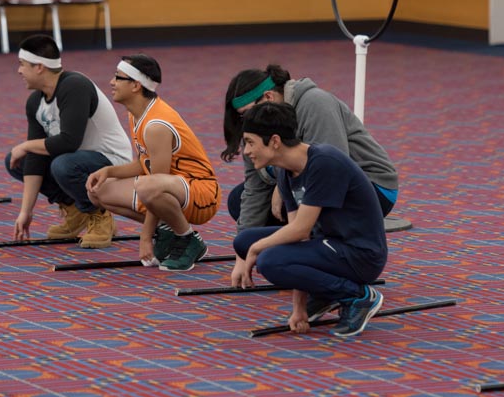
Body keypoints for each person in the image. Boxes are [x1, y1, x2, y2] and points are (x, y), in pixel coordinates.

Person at [230, 103, 388, 338]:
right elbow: (298, 238)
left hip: (360, 254)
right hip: (329, 244)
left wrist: (257, 249)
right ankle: (324, 293)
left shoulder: (323, 162)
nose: (246, 151)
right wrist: (299, 308)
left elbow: (301, 230)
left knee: (268, 260)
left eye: (250, 142)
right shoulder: (286, 172)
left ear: (274, 141)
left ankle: (357, 296)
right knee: (244, 241)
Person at [222, 65, 398, 230]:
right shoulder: (254, 127)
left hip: (370, 186)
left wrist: (282, 187)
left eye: (247, 113)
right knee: (238, 201)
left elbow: (332, 168)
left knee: (293, 203)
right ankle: (296, 237)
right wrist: (244, 243)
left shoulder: (315, 103)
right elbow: (255, 189)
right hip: (303, 183)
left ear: (268, 97)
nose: (244, 122)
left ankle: (313, 239)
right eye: (241, 117)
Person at [86, 54, 220, 272]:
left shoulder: (156, 125)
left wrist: (145, 237)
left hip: (202, 193)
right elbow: (146, 164)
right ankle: (169, 230)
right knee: (97, 191)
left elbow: (156, 181)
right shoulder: (137, 113)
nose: (111, 82)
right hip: (174, 188)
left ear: (136, 85)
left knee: (147, 186)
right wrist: (109, 171)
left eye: (118, 77)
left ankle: (188, 238)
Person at [7, 35, 133, 248]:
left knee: (62, 164)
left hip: (111, 160)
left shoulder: (75, 85)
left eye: (22, 64)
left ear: (39, 67)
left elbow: (69, 142)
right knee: (18, 160)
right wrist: (25, 212)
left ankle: (99, 214)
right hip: (76, 161)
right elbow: (36, 160)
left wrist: (26, 145)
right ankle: (75, 210)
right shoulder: (35, 102)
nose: (19, 71)